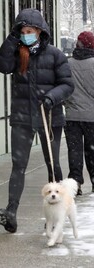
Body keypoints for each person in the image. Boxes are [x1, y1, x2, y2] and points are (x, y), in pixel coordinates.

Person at [0, 8, 74, 233]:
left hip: (49, 117)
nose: (26, 34)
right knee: (18, 165)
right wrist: (11, 39)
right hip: (22, 118)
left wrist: (51, 97)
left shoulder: (55, 55)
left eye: (30, 30)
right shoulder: (17, 54)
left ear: (40, 32)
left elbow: (68, 85)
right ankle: (11, 212)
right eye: (23, 31)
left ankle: (59, 212)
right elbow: (0, 66)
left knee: (52, 164)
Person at [64, 31, 94, 195]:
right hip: (92, 118)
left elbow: (63, 88)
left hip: (72, 117)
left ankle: (76, 183)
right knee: (92, 151)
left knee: (74, 151)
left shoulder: (67, 64)